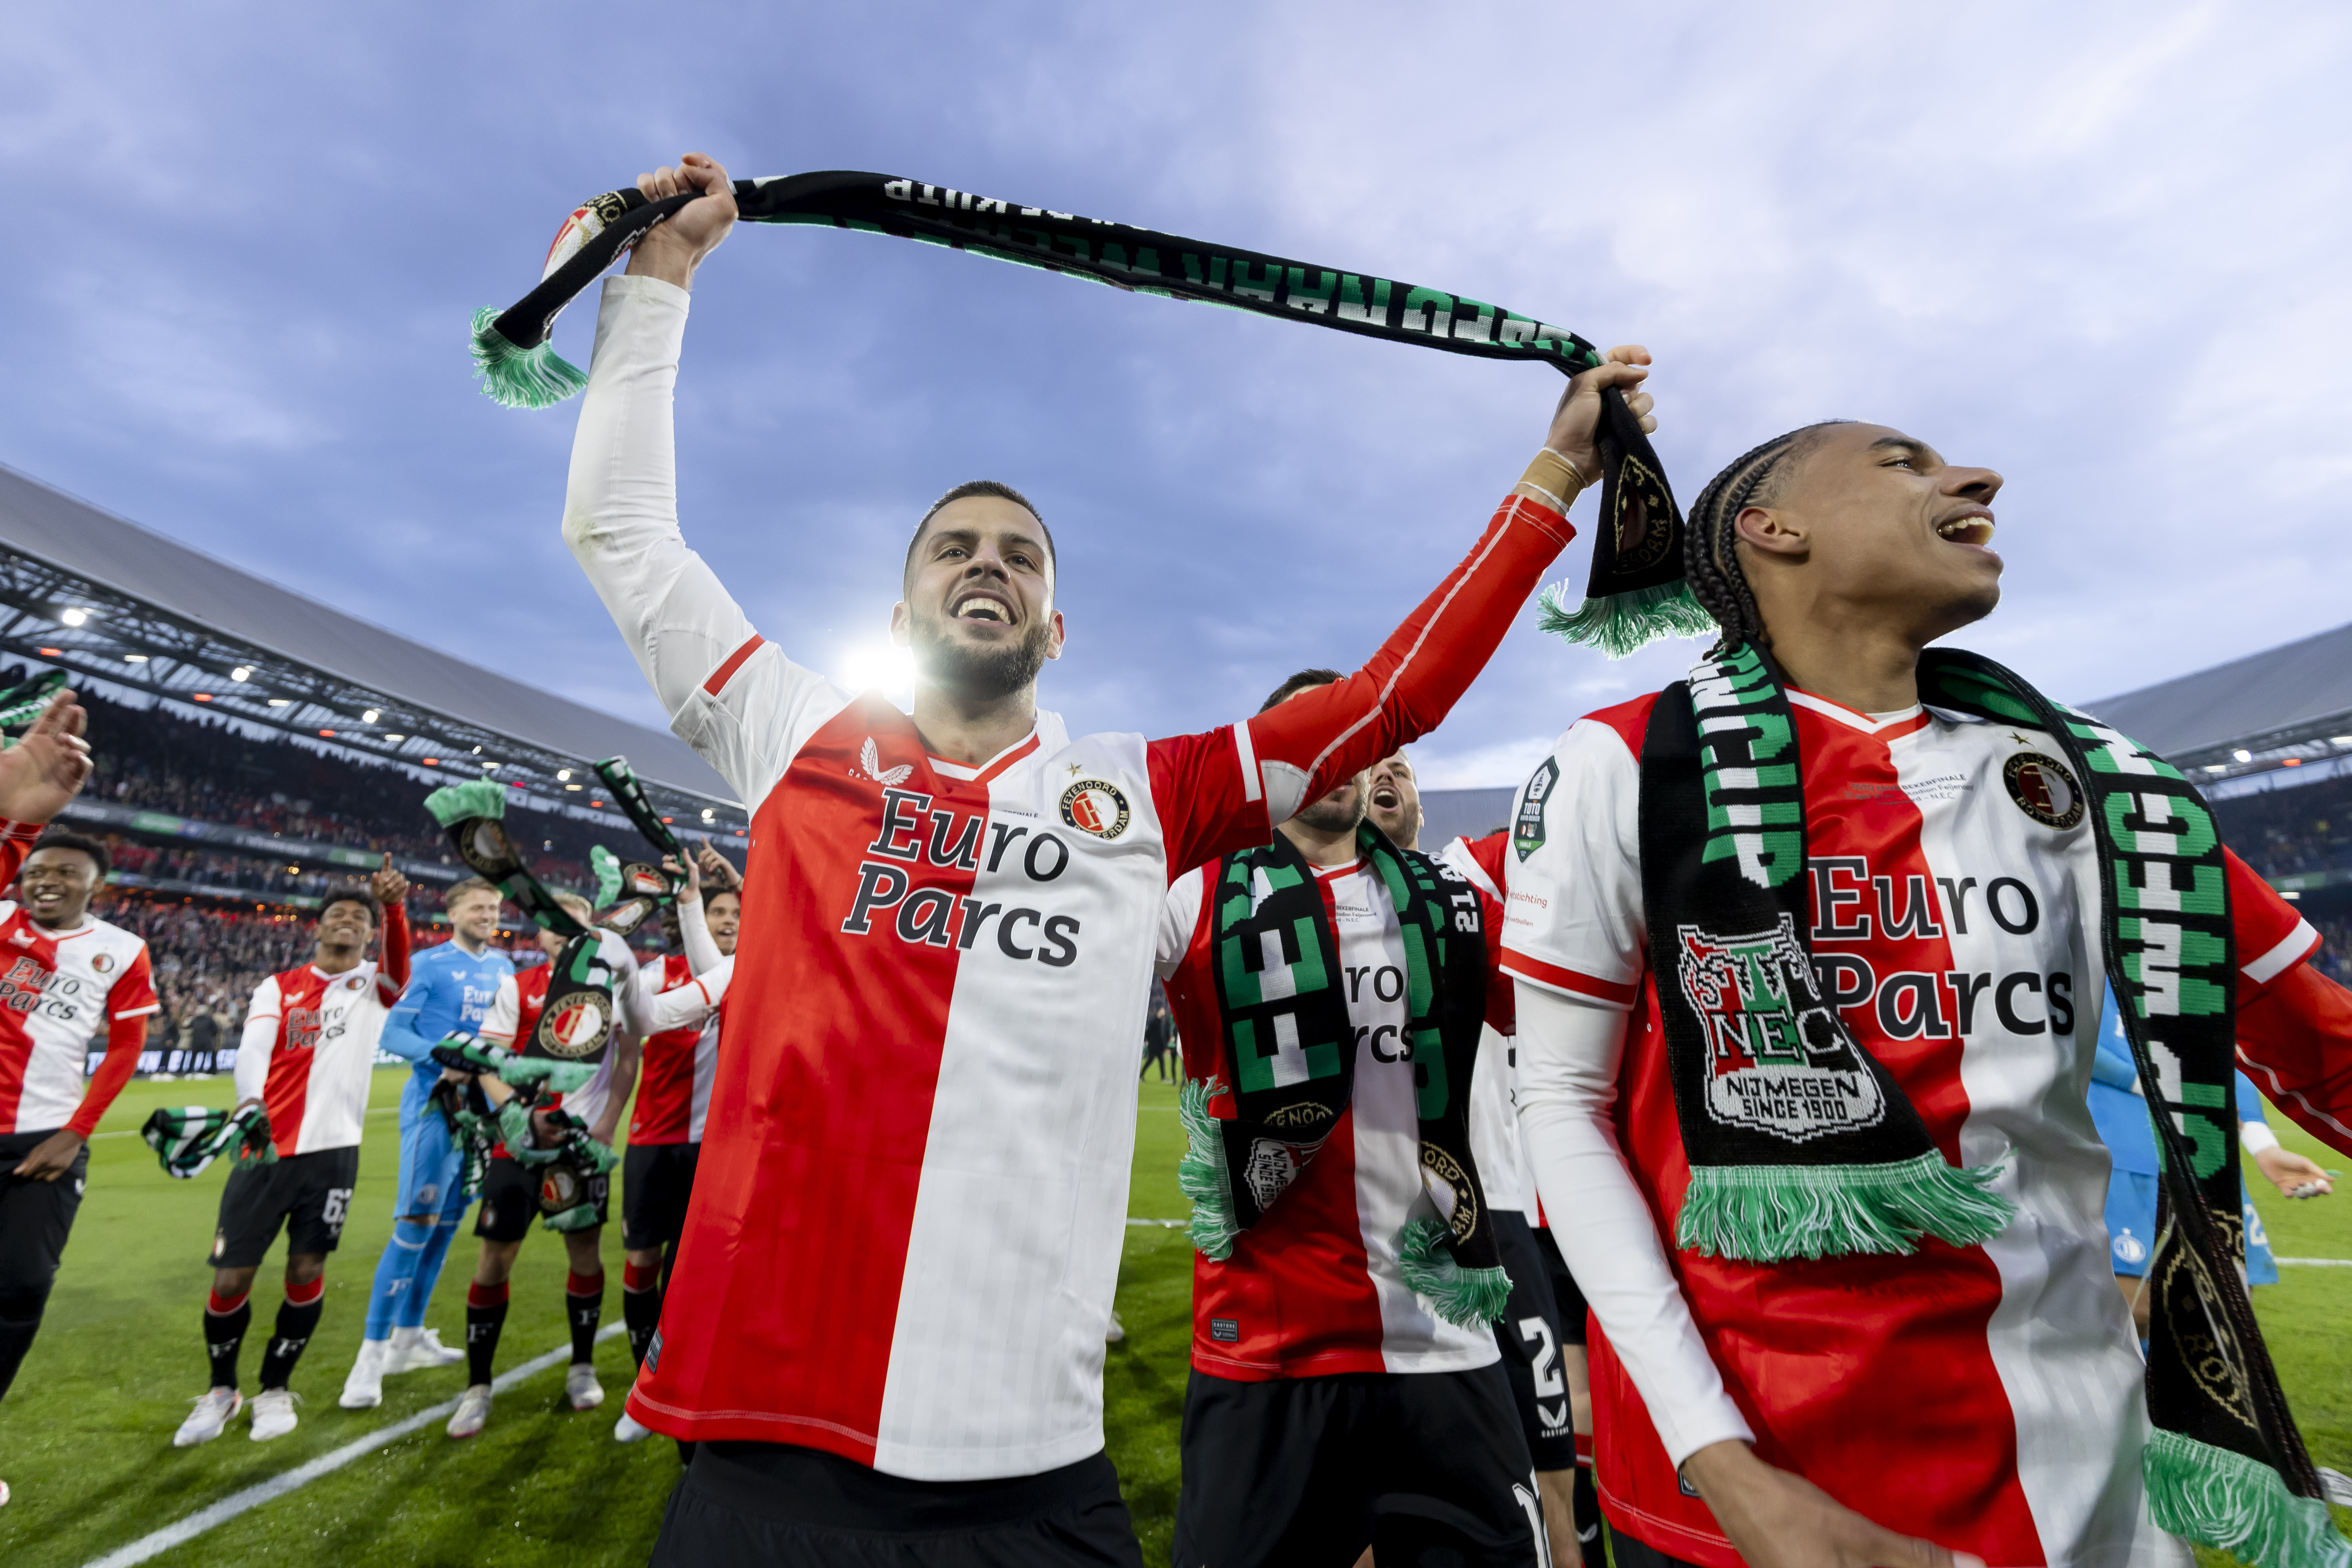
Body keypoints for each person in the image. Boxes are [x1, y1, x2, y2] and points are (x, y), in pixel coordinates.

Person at [556, 150, 1634, 1566]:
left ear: (1056, 630)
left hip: (1031, 1475)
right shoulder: (790, 729)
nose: (984, 561)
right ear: (905, 603)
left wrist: (1556, 468)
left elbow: (1385, 702)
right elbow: (619, 532)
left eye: (1018, 553)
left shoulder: (1142, 792)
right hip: (759, 1457)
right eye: (953, 548)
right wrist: (661, 282)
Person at [1504, 420, 2352, 1568]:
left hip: (2086, 1479)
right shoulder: (1620, 763)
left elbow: (2321, 1043)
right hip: (1751, 1505)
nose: (1974, 474)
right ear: (1773, 526)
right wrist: (1726, 1463)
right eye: (1901, 461)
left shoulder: (2100, 783)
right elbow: (1559, 1103)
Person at [1157, 684, 1554, 1568]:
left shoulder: (1449, 898)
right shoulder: (1192, 894)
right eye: (1314, 734)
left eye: (1360, 737)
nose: (1340, 752)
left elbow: (1558, 1012)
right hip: (1265, 1347)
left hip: (1443, 1335)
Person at [174, 861, 411, 1445]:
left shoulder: (376, 986)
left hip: (334, 1155)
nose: (349, 922)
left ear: (367, 932)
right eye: (338, 914)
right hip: (265, 1149)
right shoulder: (278, 986)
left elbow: (399, 965)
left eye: (359, 918)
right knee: (232, 1277)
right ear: (317, 927)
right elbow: (253, 1047)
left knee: (307, 1268)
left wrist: (395, 909)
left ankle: (275, 1388)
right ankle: (221, 1390)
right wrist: (250, 1099)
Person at [1442, 822, 1604, 1568]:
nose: (1388, 781)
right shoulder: (1445, 885)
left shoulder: (1466, 883)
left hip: (1520, 1204)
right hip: (1423, 1217)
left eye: (1403, 770)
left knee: (1558, 1446)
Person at [444, 890, 643, 1440]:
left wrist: (605, 1125)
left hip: (579, 1146)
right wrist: (516, 1114)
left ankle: (582, 1366)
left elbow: (630, 1058)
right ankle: (477, 1385)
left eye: (575, 923)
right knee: (494, 1259)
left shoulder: (614, 985)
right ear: (541, 936)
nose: (563, 932)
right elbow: (486, 1059)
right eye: (554, 926)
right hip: (518, 1147)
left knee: (584, 1254)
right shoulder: (519, 986)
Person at [340, 875, 515, 1408]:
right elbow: (393, 1034)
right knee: (415, 1222)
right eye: (478, 906)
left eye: (494, 907)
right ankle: (369, 1358)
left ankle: (409, 1337)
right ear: (454, 912)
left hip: (480, 1115)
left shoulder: (505, 969)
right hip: (434, 1109)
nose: (488, 914)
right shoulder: (430, 966)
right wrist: (448, 1057)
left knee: (446, 1225)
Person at [2089, 983, 2332, 1335]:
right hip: (2116, 1146)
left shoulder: (2192, 959)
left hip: (2203, 1160)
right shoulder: (2072, 947)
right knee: (2134, 1310)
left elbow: (2221, 1064)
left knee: (2223, 1311)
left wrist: (2263, 1147)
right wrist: (2148, 1084)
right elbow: (2053, 1037)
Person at [613, 856, 731, 1444]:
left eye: (739, 911)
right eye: (720, 912)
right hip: (658, 1141)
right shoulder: (676, 973)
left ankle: (692, 1383)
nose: (731, 919)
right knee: (646, 1263)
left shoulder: (761, 966)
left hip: (724, 1148)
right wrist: (621, 969)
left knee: (702, 1272)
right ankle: (645, 1382)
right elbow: (643, 1022)